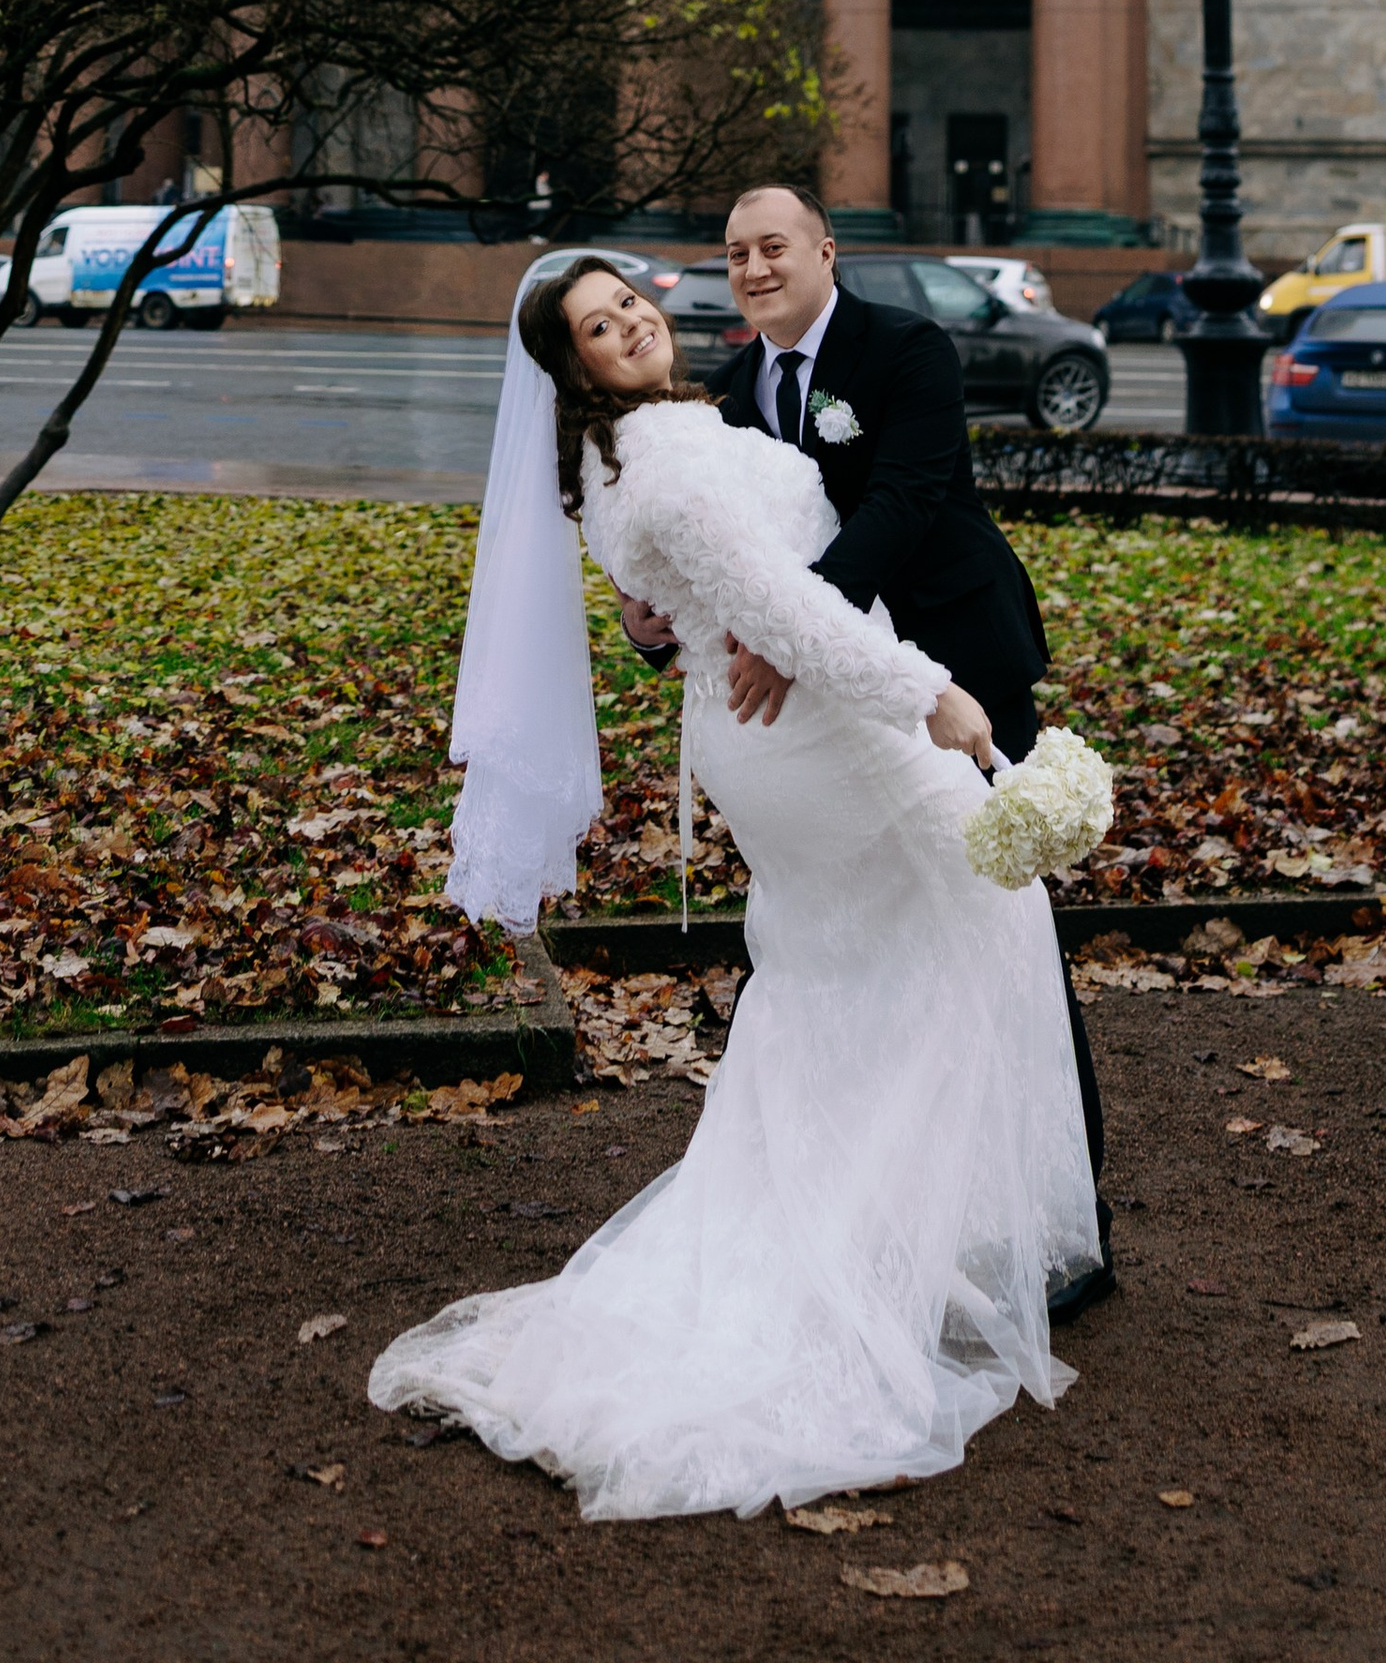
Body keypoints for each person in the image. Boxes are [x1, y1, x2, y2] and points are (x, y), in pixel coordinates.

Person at [366, 252, 1102, 1520]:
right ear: (575, 368)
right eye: (600, 326)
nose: (631, 323)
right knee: (974, 933)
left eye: (630, 301)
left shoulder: (622, 463)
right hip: (829, 737)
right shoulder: (672, 460)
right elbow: (786, 611)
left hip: (765, 742)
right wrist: (933, 699)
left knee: (837, 986)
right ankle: (865, 1257)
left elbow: (692, 603)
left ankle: (887, 1238)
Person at [623, 179, 1110, 1258]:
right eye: (736, 252)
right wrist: (657, 628)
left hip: (956, 657)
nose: (753, 269)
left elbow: (904, 497)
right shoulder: (730, 395)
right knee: (836, 937)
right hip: (827, 711)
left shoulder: (907, 349)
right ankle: (851, 1206)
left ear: (826, 251)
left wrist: (792, 635)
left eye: (774, 247)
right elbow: (721, 565)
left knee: (1003, 922)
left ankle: (1066, 1200)